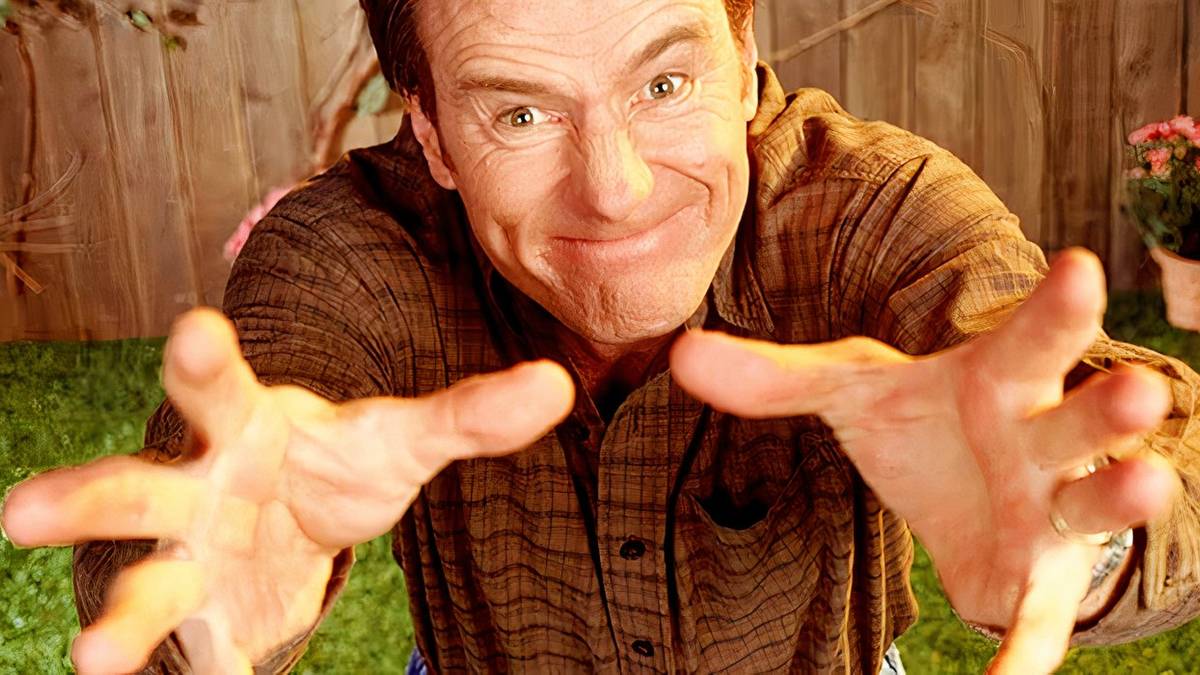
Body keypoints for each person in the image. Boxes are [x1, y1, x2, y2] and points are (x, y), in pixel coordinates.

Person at [4, 0, 1200, 672]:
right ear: (431, 133)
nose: (616, 192)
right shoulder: (344, 252)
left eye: (665, 85)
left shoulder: (879, 208)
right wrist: (207, 582)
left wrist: (1086, 525)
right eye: (521, 112)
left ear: (743, 58)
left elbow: (1151, 461)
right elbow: (203, 494)